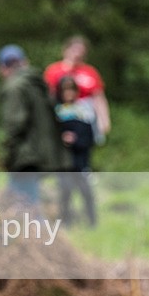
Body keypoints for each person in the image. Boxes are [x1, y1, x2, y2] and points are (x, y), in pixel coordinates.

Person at [0, 44, 67, 208]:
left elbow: (14, 125)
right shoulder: (37, 84)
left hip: (25, 155)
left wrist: (6, 152)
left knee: (27, 204)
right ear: (25, 62)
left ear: (2, 68)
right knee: (20, 200)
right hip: (42, 153)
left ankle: (38, 232)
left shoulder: (15, 87)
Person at [44, 35, 111, 138]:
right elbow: (49, 95)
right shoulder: (54, 70)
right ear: (66, 50)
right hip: (61, 115)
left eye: (81, 51)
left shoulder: (90, 72)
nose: (77, 54)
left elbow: (99, 97)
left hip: (84, 117)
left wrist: (104, 120)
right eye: (74, 50)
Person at [55, 75, 98, 227]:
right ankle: (66, 221)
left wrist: (76, 140)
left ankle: (92, 222)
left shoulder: (84, 112)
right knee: (65, 192)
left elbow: (90, 138)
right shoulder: (56, 113)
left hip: (80, 160)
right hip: (63, 162)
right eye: (65, 90)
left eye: (71, 89)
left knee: (86, 192)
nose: (68, 93)